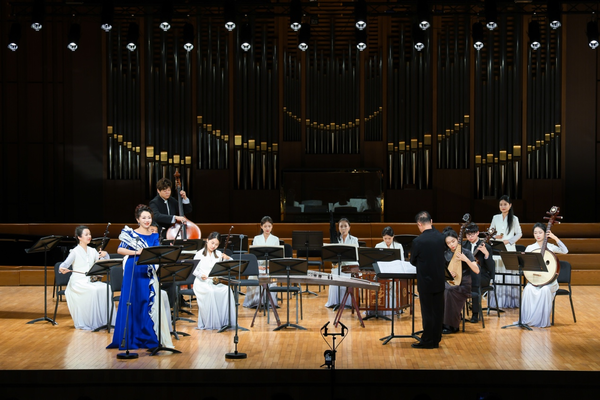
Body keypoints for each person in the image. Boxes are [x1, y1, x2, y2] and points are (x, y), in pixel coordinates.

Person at [107, 204, 174, 350]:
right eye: (143, 218)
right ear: (138, 219)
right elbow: (120, 249)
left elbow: (157, 253)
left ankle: (147, 336)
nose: (147, 220)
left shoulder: (155, 236)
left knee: (146, 302)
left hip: (147, 270)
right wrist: (137, 252)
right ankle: (129, 337)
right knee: (132, 301)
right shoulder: (131, 234)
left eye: (149, 217)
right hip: (133, 269)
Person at [58, 225, 113, 330]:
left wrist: (105, 255)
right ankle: (92, 322)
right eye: (86, 234)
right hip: (77, 282)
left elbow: (102, 263)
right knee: (93, 290)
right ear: (79, 237)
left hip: (90, 281)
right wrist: (62, 269)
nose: (89, 236)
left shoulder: (92, 250)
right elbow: (64, 265)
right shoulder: (75, 252)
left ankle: (105, 321)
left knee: (106, 288)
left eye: (90, 234)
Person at [409, 211, 446, 349]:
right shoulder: (441, 237)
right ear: (431, 221)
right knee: (438, 311)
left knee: (427, 312)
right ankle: (436, 339)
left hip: (425, 281)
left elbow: (412, 261)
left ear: (419, 224)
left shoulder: (418, 241)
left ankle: (427, 340)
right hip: (439, 280)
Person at [521, 223, 568, 328]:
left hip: (549, 282)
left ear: (545, 233)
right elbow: (526, 264)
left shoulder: (550, 247)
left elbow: (565, 251)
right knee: (527, 289)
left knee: (545, 290)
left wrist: (554, 237)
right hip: (535, 280)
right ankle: (529, 319)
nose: (538, 235)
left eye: (540, 232)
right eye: (535, 233)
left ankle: (540, 320)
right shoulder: (530, 247)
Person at [192, 232, 237, 330]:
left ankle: (225, 321)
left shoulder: (219, 254)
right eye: (212, 243)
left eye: (216, 244)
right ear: (207, 240)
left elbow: (231, 264)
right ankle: (212, 323)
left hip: (214, 281)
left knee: (227, 290)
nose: (214, 246)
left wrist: (228, 258)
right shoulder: (199, 254)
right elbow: (194, 270)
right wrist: (200, 275)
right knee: (211, 292)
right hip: (202, 283)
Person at [442, 227, 479, 334]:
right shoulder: (445, 254)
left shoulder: (466, 252)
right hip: (450, 282)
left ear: (458, 239)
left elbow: (476, 270)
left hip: (464, 284)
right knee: (441, 289)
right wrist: (448, 274)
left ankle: (452, 325)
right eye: (448, 243)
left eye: (453, 241)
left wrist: (465, 259)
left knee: (449, 290)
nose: (451, 245)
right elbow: (442, 271)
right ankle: (441, 323)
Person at [244, 216, 279, 308]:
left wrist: (269, 266)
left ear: (272, 227)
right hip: (259, 266)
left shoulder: (275, 239)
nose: (267, 228)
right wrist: (257, 267)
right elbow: (254, 256)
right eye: (265, 226)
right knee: (254, 276)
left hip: (270, 266)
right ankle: (255, 301)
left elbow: (276, 257)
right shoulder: (256, 238)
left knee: (271, 277)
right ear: (261, 227)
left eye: (269, 226)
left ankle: (269, 302)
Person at [463, 223, 495, 323]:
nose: (470, 237)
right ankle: (457, 313)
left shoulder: (486, 246)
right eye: (468, 235)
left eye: (472, 234)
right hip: (467, 275)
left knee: (474, 282)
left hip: (483, 276)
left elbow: (491, 267)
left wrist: (486, 254)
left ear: (477, 233)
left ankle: (475, 314)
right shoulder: (464, 245)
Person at [325, 218, 358, 308]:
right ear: (338, 228)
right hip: (339, 266)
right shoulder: (336, 240)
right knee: (334, 275)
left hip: (350, 266)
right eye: (341, 226)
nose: (343, 228)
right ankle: (335, 302)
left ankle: (347, 303)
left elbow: (355, 256)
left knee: (345, 275)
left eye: (345, 226)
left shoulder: (354, 240)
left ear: (349, 227)